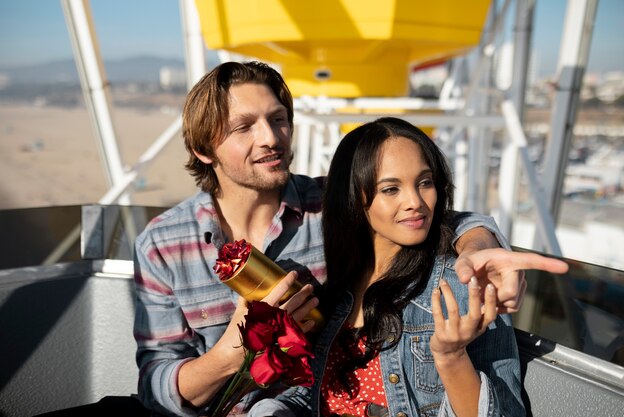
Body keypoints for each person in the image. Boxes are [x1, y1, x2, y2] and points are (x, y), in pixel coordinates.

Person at [133, 62, 566, 416]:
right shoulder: (162, 244)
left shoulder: (333, 206)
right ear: (204, 150)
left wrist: (477, 246)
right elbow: (157, 386)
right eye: (244, 126)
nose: (271, 138)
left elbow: (421, 216)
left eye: (279, 119)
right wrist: (232, 352)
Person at [248, 118, 564, 417]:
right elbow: (326, 391)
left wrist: (451, 358)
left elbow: (505, 411)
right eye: (391, 189)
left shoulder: (460, 283)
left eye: (425, 182)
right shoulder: (338, 282)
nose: (416, 201)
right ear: (354, 199)